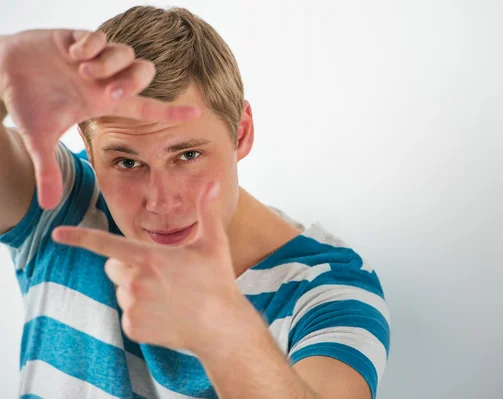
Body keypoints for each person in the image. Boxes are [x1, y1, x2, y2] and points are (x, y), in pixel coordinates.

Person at [0, 5, 390, 399]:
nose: (162, 202)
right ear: (88, 147)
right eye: (127, 162)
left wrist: (224, 336)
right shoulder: (65, 199)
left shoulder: (328, 290)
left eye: (187, 155)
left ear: (241, 134)